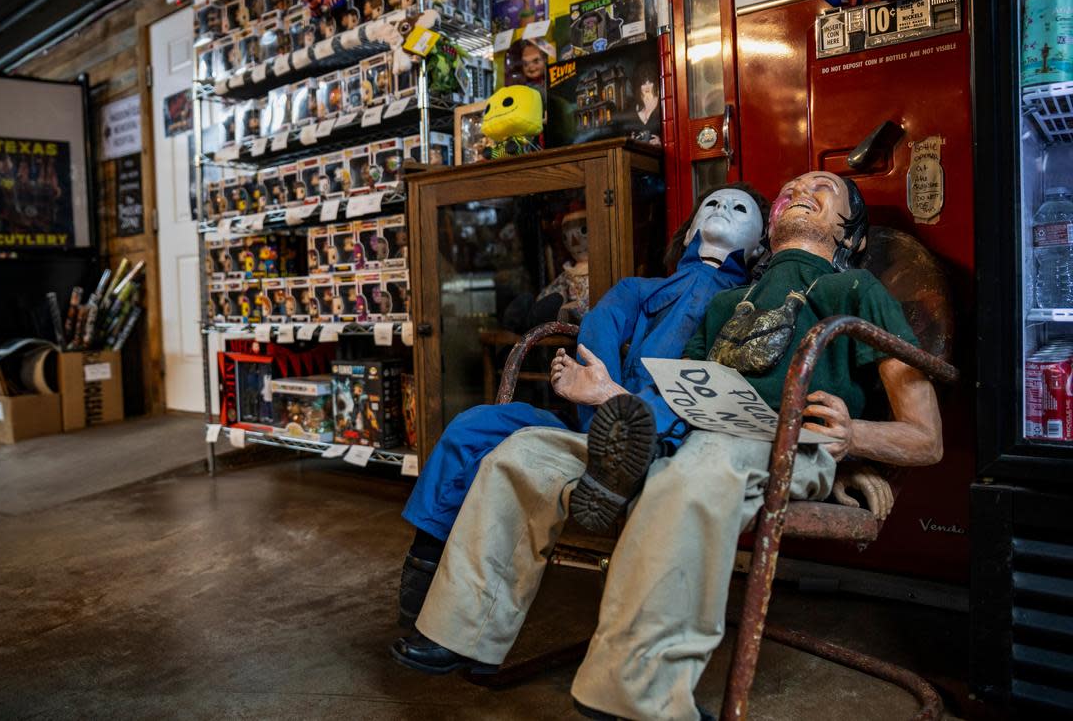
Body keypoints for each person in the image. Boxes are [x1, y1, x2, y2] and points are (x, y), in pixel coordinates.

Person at [391, 172, 943, 721]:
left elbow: (926, 437)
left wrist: (855, 443)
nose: (799, 191)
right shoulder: (727, 304)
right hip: (685, 434)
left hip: (781, 442)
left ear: (854, 238)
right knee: (527, 451)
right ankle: (459, 629)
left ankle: (637, 690)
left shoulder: (857, 291)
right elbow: (681, 393)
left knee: (699, 468)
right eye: (790, 187)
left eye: (822, 190)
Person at [396, 185, 769, 627]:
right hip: (594, 420)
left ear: (760, 245)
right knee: (473, 425)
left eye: (739, 207)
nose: (724, 207)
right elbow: (599, 327)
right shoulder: (639, 288)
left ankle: (621, 434)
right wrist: (597, 393)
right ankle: (422, 578)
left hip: (671, 431)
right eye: (712, 203)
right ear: (688, 233)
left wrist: (614, 403)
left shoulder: (748, 304)